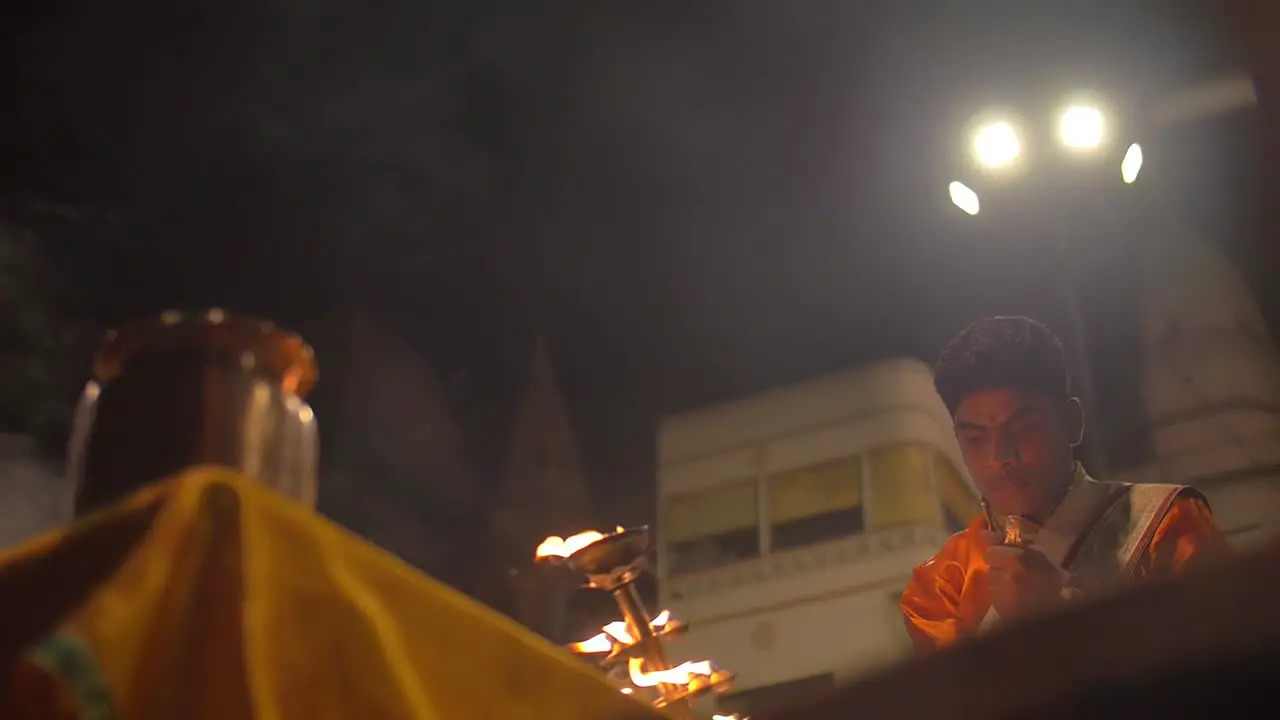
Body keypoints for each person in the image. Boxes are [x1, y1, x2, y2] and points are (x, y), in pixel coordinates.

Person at [900, 316, 1227, 652]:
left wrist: (1062, 613)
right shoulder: (942, 584)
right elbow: (962, 703)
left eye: (1024, 428)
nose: (1000, 457)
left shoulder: (1166, 522)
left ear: (1072, 422)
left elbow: (1226, 670)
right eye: (976, 439)